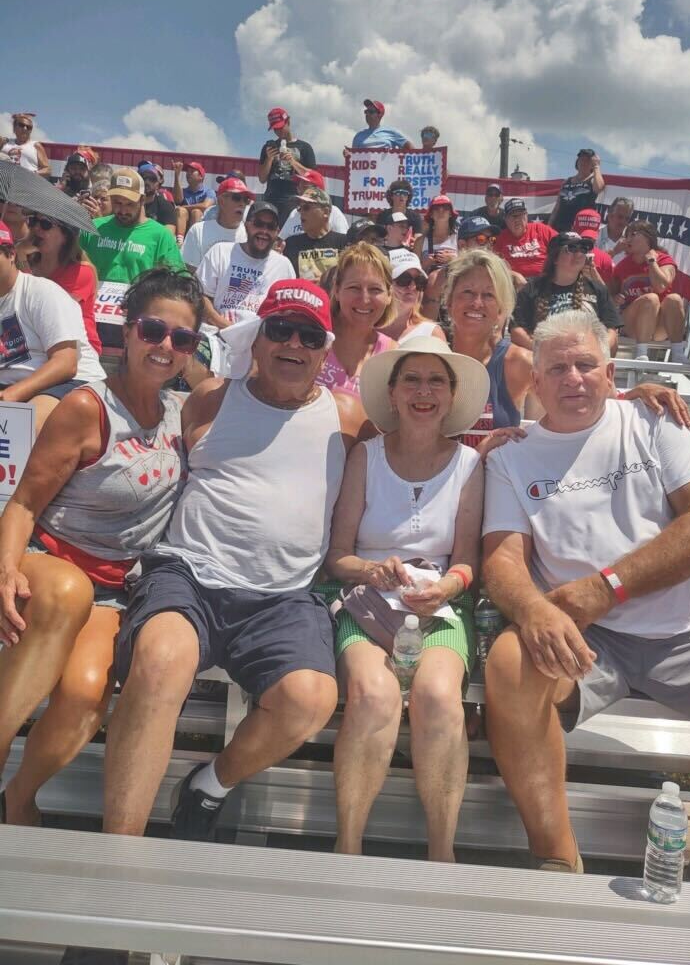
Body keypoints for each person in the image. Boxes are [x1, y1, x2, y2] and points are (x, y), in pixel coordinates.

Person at [483, 309, 690, 883]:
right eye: (557, 368)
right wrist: (536, 607)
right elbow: (502, 557)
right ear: (534, 382)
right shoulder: (510, 456)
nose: (573, 379)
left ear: (610, 371)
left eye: (586, 364)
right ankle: (559, 857)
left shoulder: (655, 417)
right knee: (511, 664)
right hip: (587, 641)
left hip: (685, 633)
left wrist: (604, 588)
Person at [102, 280, 364, 841]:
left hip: (285, 595)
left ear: (325, 348)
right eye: (280, 329)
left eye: (310, 334)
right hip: (191, 573)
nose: (294, 343)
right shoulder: (214, 397)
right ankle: (116, 849)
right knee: (160, 661)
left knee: (310, 698)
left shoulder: (347, 416)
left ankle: (209, 784)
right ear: (258, 337)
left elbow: (416, 445)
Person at [0, 269, 202, 828]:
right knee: (67, 591)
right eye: (153, 329)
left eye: (181, 338)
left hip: (117, 588)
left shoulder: (183, 413)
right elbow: (23, 504)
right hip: (53, 562)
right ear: (127, 330)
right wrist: (4, 569)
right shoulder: (87, 408)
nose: (165, 346)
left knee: (88, 694)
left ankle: (19, 798)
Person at [325, 335, 487, 861]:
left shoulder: (469, 464)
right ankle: (347, 845)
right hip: (367, 596)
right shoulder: (365, 457)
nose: (423, 392)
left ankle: (443, 851)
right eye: (411, 380)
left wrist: (447, 585)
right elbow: (339, 555)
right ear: (392, 393)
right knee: (374, 694)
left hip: (437, 602)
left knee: (440, 697)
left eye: (435, 380)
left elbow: (466, 560)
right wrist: (375, 571)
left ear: (451, 394)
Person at [0, 222, 105, 433]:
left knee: (21, 427)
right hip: (14, 385)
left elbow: (66, 363)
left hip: (71, 381)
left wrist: (10, 395)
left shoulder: (42, 292)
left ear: (11, 254)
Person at [79, 169, 185, 348]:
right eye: (117, 203)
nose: (122, 210)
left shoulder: (160, 236)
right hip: (90, 323)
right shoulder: (91, 228)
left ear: (143, 200)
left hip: (135, 327)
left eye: (129, 204)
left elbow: (178, 282)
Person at [443, 250, 530, 445]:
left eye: (489, 295)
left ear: (501, 310)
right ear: (449, 302)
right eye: (468, 292)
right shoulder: (431, 357)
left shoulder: (517, 362)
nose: (476, 303)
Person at [510, 233, 622, 355]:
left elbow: (612, 331)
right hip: (545, 362)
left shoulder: (598, 290)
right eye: (572, 248)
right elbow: (517, 331)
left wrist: (594, 351)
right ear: (555, 258)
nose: (579, 254)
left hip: (585, 360)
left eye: (583, 249)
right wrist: (545, 352)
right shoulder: (531, 289)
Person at [316, 242, 396, 398]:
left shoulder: (392, 355)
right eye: (354, 288)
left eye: (375, 290)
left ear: (389, 295)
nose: (365, 299)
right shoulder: (311, 338)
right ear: (337, 290)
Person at [197, 200, 294, 328]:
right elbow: (201, 295)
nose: (264, 231)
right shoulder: (220, 252)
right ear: (246, 225)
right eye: (258, 224)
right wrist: (226, 326)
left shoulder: (283, 265)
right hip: (217, 332)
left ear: (277, 232)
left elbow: (288, 309)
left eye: (271, 227)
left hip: (261, 339)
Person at [23, 213, 101, 354]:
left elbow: (52, 312)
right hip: (36, 345)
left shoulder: (81, 271)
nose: (36, 229)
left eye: (45, 224)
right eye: (33, 221)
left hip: (78, 350)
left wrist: (23, 266)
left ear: (65, 236)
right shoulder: (26, 261)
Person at [612, 220, 686, 361]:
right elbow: (611, 294)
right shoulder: (622, 266)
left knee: (674, 299)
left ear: (648, 237)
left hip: (658, 326)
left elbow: (661, 286)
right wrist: (615, 297)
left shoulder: (664, 260)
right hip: (631, 324)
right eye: (626, 235)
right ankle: (641, 352)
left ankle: (678, 354)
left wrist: (652, 262)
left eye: (632, 234)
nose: (627, 239)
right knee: (651, 298)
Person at [258, 108, 317, 226]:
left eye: (280, 127)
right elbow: (262, 178)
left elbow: (313, 178)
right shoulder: (269, 147)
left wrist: (293, 162)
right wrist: (269, 159)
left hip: (294, 201)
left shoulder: (304, 147)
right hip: (271, 199)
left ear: (288, 121)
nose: (278, 131)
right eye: (275, 129)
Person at [181, 177, 252, 271]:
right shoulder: (198, 231)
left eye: (246, 200)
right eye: (237, 198)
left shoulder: (249, 235)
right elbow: (189, 270)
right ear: (221, 201)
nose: (242, 204)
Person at [379, 249, 446, 344]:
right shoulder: (365, 328)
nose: (412, 287)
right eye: (404, 279)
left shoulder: (431, 333)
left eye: (419, 281)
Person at [283, 187, 346, 282]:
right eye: (300, 208)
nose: (301, 213)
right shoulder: (291, 243)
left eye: (306, 207)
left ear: (325, 212)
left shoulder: (343, 243)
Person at [494, 198, 557, 280]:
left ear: (526, 215)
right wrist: (514, 275)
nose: (517, 220)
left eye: (520, 215)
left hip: (544, 281)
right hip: (515, 283)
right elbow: (493, 264)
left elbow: (562, 244)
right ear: (505, 219)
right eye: (513, 216)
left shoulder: (541, 229)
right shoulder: (500, 238)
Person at [280, 170, 349, 240]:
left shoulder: (334, 212)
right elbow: (282, 240)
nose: (300, 191)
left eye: (305, 187)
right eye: (299, 187)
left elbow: (343, 241)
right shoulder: (295, 213)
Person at [549, 148, 606, 232]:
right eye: (581, 159)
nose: (584, 162)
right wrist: (549, 226)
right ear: (577, 162)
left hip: (579, 229)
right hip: (558, 227)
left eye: (587, 160)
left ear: (592, 164)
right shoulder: (566, 182)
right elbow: (557, 206)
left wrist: (597, 166)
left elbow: (599, 188)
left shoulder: (593, 180)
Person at [172, 161, 216, 240]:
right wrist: (176, 175)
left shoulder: (209, 191)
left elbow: (205, 206)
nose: (188, 174)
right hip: (184, 227)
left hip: (203, 231)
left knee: (196, 212)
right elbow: (177, 201)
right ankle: (179, 241)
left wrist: (184, 206)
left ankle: (192, 240)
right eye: (187, 172)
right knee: (181, 211)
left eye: (192, 171)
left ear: (201, 176)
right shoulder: (184, 191)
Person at [571, 210, 615, 286]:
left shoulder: (605, 260)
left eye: (590, 238)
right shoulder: (562, 255)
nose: (586, 242)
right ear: (572, 229)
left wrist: (594, 275)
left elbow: (608, 295)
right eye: (583, 237)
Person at [137, 161, 176, 235]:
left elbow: (168, 236)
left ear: (158, 184)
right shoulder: (128, 203)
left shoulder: (166, 207)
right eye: (143, 178)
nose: (147, 182)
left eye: (152, 179)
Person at [596, 196, 634, 263]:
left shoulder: (632, 239)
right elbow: (593, 264)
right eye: (620, 217)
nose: (623, 222)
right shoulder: (595, 235)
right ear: (610, 216)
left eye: (627, 218)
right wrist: (615, 251)